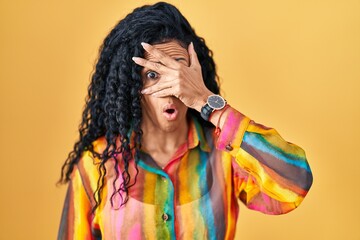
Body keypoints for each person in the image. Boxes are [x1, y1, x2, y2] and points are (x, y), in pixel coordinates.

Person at [57, 2, 313, 239]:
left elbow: (295, 184)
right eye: (154, 74)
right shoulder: (95, 164)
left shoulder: (224, 154)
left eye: (180, 72)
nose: (171, 88)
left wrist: (207, 102)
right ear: (133, 85)